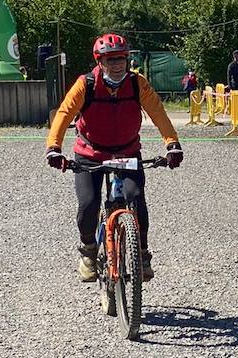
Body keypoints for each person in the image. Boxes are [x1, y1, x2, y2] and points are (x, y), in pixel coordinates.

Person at [45, 33, 184, 283]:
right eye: (110, 60)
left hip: (127, 152)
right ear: (100, 62)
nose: (117, 65)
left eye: (121, 59)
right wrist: (54, 147)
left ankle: (141, 254)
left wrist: (172, 144)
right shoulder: (85, 83)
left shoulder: (136, 83)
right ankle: (88, 251)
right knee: (88, 204)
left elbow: (157, 112)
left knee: (136, 198)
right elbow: (65, 113)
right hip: (90, 153)